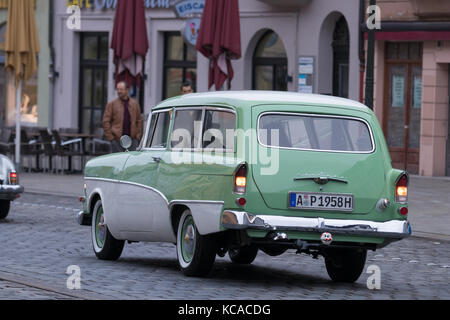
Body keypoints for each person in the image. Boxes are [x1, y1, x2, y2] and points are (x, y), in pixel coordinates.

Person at [102, 81, 143, 153]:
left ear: (127, 90)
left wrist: (138, 136)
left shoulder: (134, 104)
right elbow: (106, 121)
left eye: (121, 89)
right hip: (117, 140)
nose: (119, 91)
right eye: (117, 89)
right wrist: (111, 138)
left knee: (132, 162)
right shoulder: (112, 104)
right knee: (117, 162)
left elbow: (139, 120)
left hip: (132, 140)